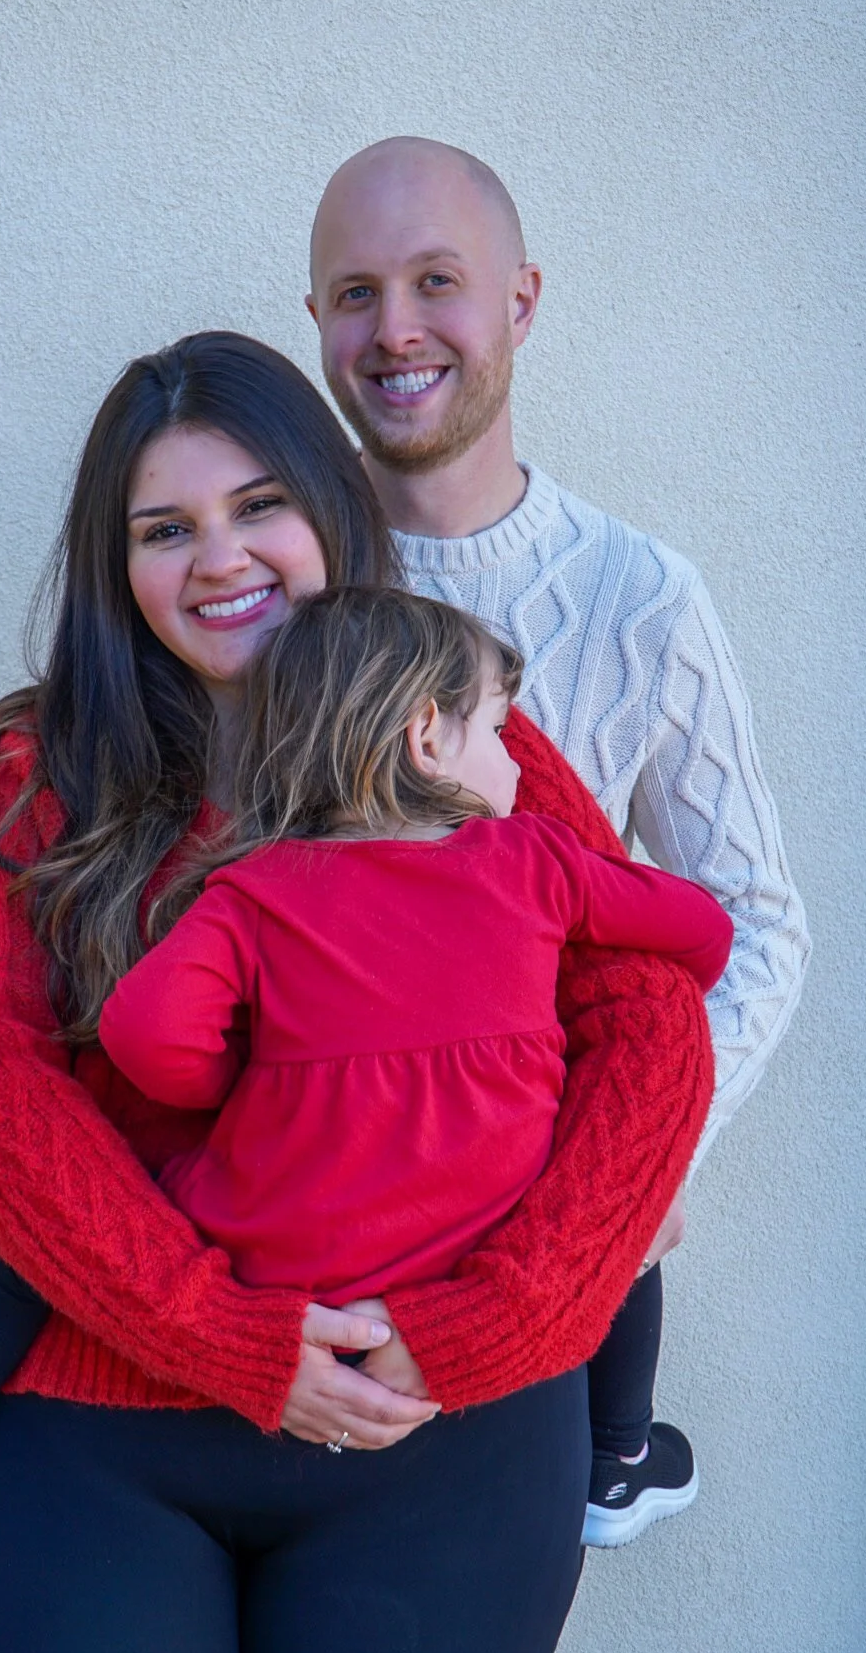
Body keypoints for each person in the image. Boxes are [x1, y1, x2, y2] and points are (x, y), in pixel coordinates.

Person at [0, 332, 714, 1653]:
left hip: (441, 1425)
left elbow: (648, 1018)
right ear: (120, 568)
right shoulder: (32, 768)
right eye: (166, 529)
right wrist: (216, 1328)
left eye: (260, 506)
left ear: (332, 517)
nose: (219, 558)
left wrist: (509, 1317)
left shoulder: (463, 741)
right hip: (93, 1428)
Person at [306, 134, 811, 1551]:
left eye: (435, 282)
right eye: (355, 293)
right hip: (312, 1254)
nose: (395, 329)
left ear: (520, 302)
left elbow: (757, 923)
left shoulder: (641, 597)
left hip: (536, 1258)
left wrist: (644, 1159)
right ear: (317, 325)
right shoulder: (282, 580)